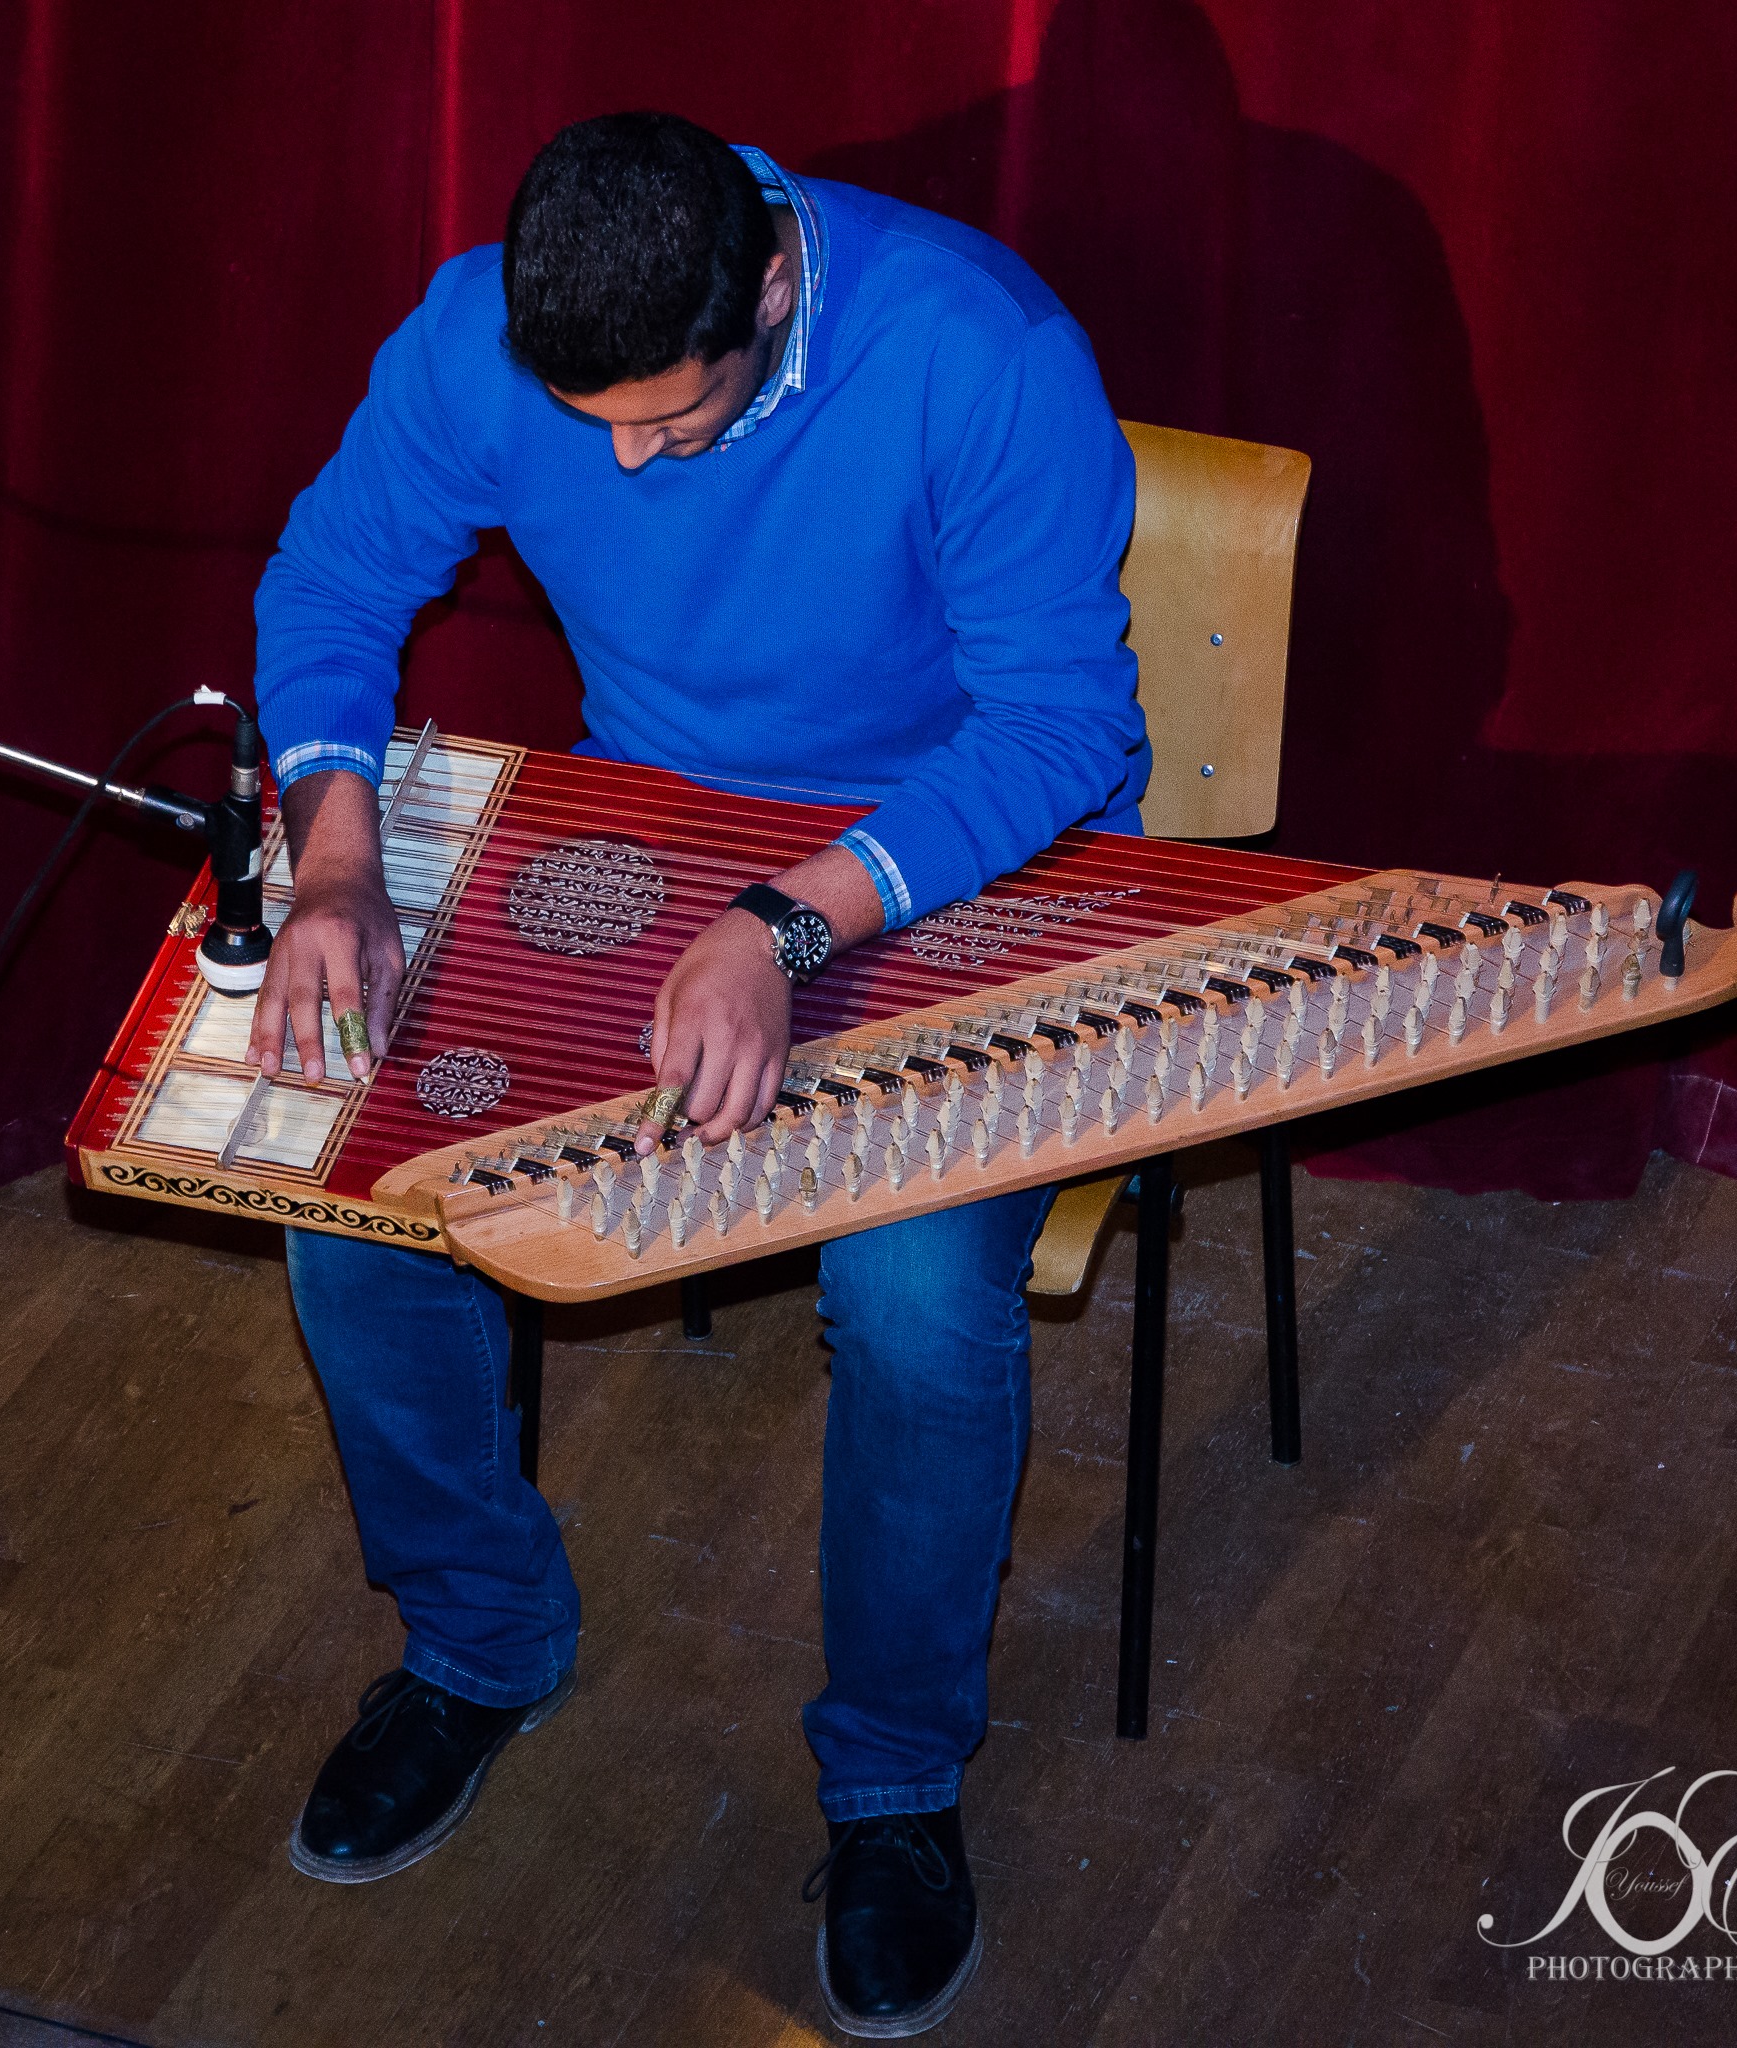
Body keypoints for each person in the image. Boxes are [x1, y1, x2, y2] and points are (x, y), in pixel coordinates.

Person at [250, 111, 1147, 2038]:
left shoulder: (980, 354)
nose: (629, 468)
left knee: (914, 1301)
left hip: (953, 855)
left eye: (672, 420)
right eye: (592, 427)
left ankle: (894, 1782)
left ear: (771, 285)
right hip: (654, 844)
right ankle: (478, 1643)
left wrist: (787, 927)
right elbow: (332, 583)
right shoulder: (485, 331)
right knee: (362, 1194)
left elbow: (1063, 728)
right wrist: (333, 855)